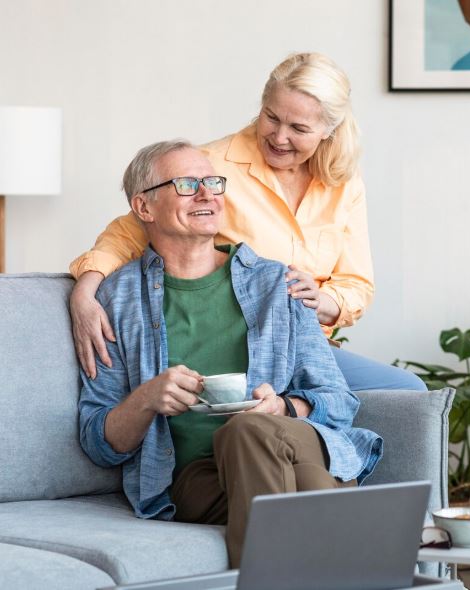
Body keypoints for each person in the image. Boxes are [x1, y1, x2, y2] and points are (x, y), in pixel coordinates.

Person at [78, 140, 383, 568]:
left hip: (289, 445)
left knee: (249, 431)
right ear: (144, 208)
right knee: (293, 472)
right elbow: (99, 442)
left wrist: (282, 406)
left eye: (213, 182)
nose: (207, 194)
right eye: (186, 184)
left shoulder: (280, 284)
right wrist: (147, 399)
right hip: (196, 480)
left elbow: (338, 401)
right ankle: (352, 533)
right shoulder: (117, 300)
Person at [69, 52, 425, 391]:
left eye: (298, 128)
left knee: (408, 391)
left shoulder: (343, 182)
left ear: (328, 131)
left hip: (307, 344)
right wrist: (84, 293)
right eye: (271, 117)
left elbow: (356, 284)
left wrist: (321, 300)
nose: (279, 136)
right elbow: (127, 232)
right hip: (242, 343)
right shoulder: (210, 169)